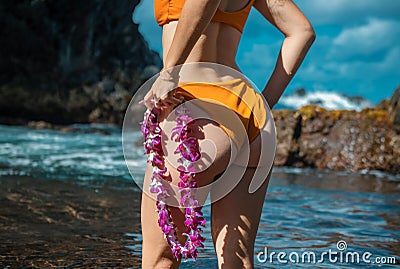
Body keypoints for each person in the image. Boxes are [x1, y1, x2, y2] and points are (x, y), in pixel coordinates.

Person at [141, 0, 315, 268]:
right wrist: (264, 104)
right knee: (239, 260)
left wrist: (169, 71)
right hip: (249, 109)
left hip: (195, 104)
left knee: (161, 260)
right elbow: (302, 31)